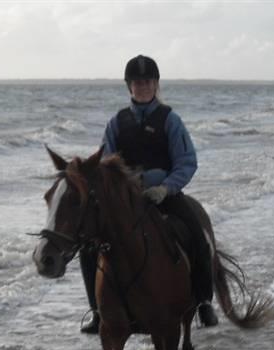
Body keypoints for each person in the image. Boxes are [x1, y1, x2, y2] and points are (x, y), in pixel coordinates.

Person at [79, 54, 218, 334]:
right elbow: (105, 164)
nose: (142, 87)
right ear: (129, 86)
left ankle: (203, 302)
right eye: (137, 82)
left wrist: (166, 187)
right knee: (87, 246)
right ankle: (97, 311)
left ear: (155, 85)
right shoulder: (117, 122)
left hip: (164, 195)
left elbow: (187, 161)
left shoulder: (170, 120)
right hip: (125, 201)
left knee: (198, 236)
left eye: (147, 82)